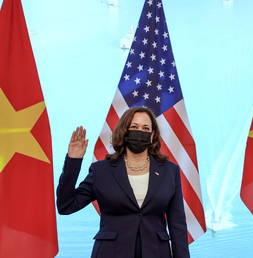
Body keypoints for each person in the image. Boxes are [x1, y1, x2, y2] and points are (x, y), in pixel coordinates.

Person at [57, 107, 189, 258]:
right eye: (134, 127)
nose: (140, 131)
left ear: (152, 135)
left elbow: (177, 225)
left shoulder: (169, 171)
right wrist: (73, 161)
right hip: (111, 253)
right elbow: (66, 205)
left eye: (145, 128)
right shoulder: (102, 171)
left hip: (157, 252)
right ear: (124, 131)